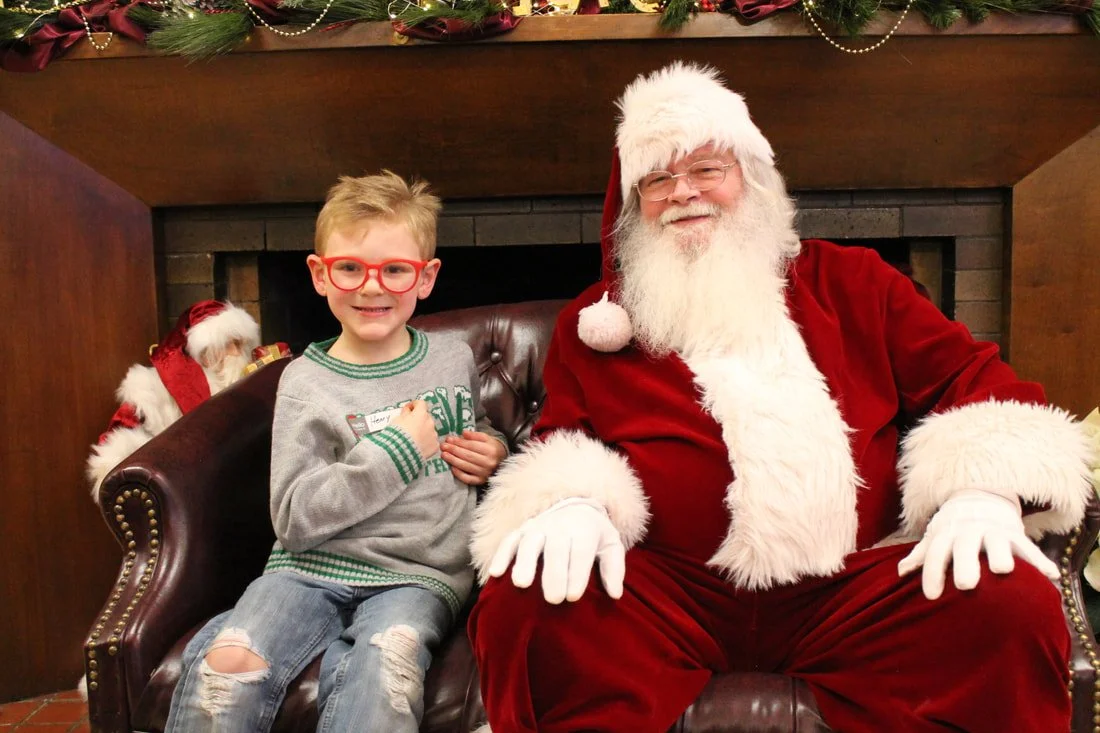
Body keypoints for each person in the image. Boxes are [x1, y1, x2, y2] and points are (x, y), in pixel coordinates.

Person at [467, 62, 1095, 733]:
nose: (683, 192)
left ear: (751, 178)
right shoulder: (595, 325)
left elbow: (974, 379)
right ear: (633, 206)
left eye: (706, 168)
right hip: (671, 596)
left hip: (853, 591)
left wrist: (981, 493)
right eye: (657, 179)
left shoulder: (858, 283)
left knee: (1009, 603)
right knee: (523, 602)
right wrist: (572, 502)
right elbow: (564, 439)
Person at [165, 171, 508, 732]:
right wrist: (396, 451)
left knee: (386, 670)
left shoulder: (452, 361)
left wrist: (492, 448)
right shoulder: (304, 382)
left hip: (418, 575)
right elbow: (294, 519)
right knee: (228, 668)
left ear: (425, 278)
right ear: (320, 275)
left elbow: (480, 426)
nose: (372, 287)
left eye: (394, 270)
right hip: (305, 571)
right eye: (351, 268)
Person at [85, 299, 261, 501]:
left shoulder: (244, 383)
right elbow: (115, 444)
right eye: (230, 345)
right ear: (205, 351)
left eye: (241, 344)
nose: (238, 353)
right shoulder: (153, 391)